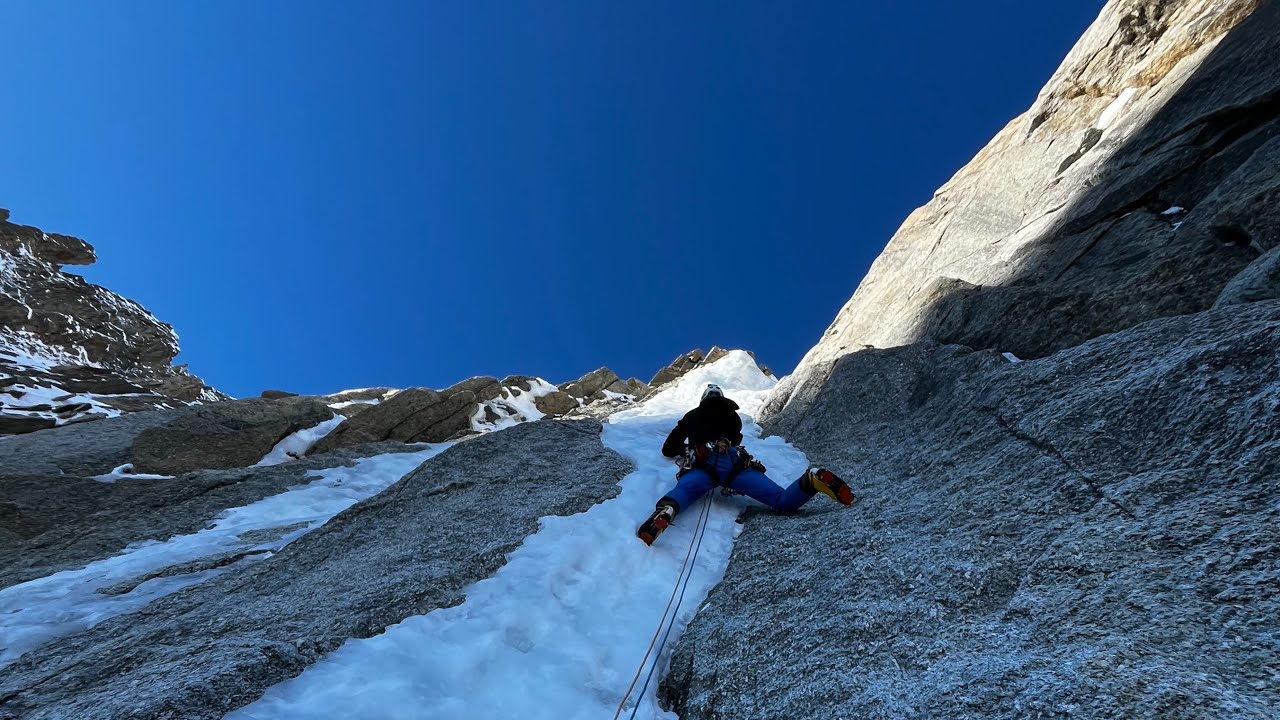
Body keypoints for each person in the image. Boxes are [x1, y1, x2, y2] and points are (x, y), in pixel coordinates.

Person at [636, 383, 855, 545]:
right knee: (782, 500)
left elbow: (668, 448)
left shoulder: (693, 415)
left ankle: (667, 510)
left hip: (703, 461)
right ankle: (811, 480)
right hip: (735, 463)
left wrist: (688, 449)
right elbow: (737, 439)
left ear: (703, 399)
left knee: (684, 491)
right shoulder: (732, 414)